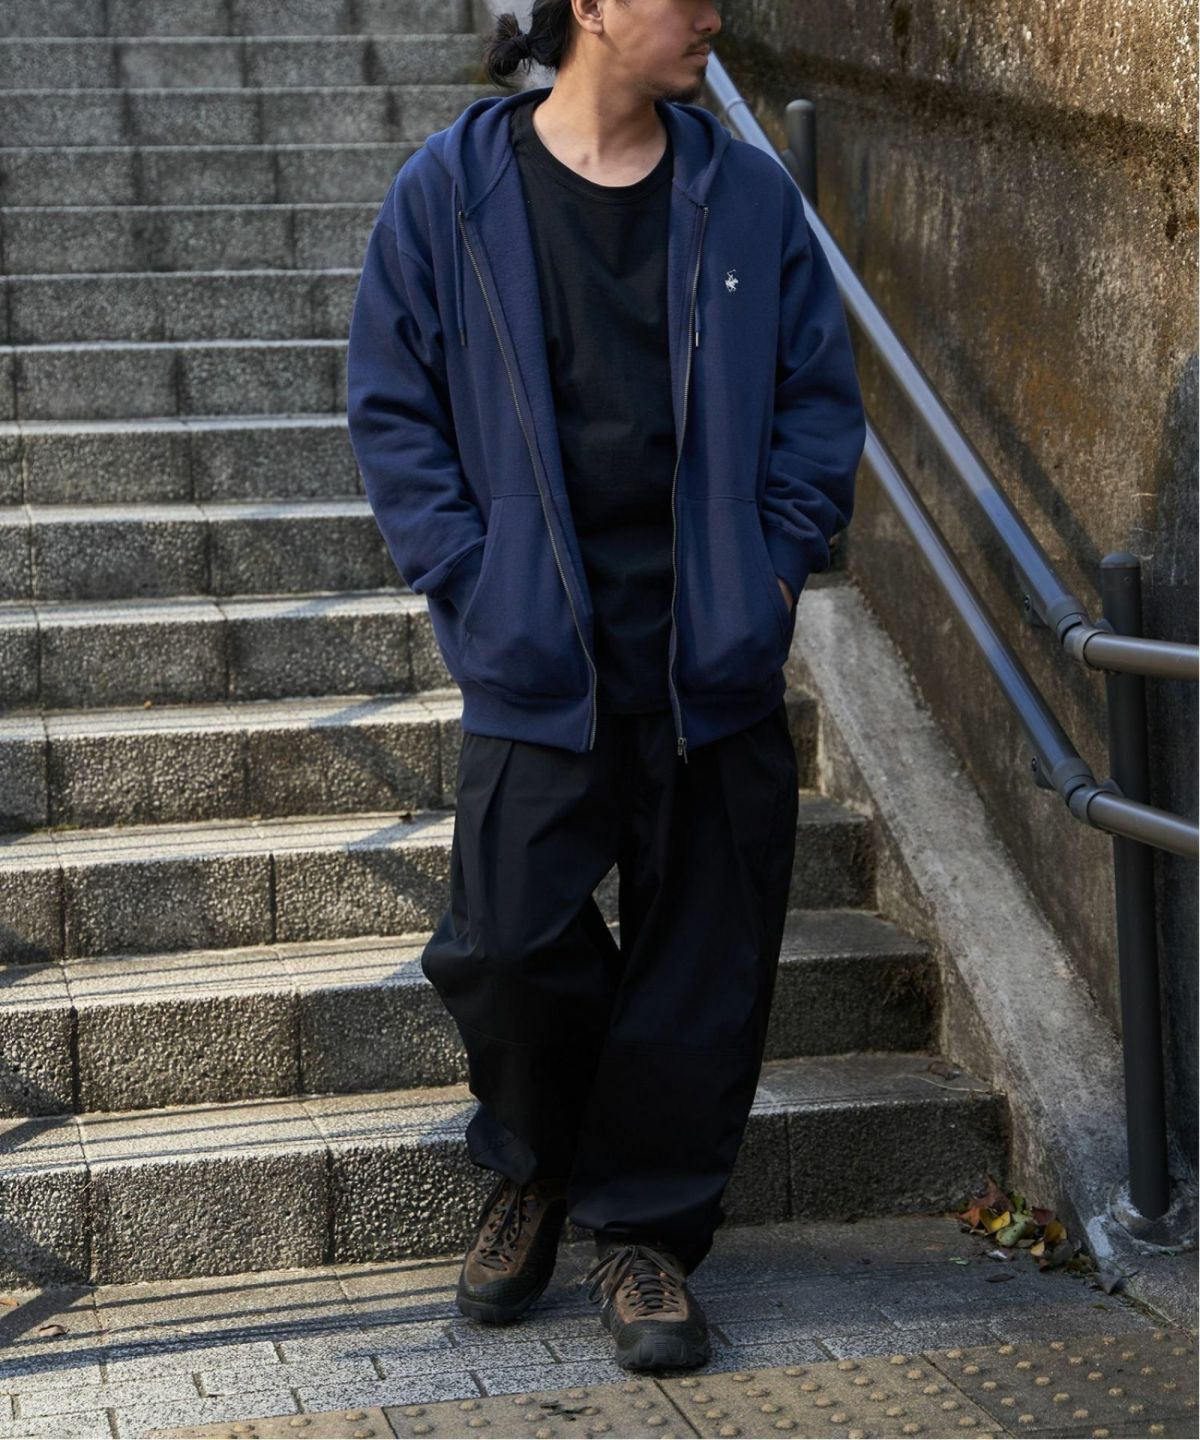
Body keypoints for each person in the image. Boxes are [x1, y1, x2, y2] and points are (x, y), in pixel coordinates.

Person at [345, 0, 866, 1374]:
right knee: (506, 943)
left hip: (710, 655)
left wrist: (772, 573)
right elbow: (392, 402)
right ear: (586, 7)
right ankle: (539, 1162)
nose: (712, 14)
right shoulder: (452, 188)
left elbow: (819, 402)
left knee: (703, 962)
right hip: (539, 653)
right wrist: (470, 577)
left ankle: (645, 1234)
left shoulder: (746, 194)